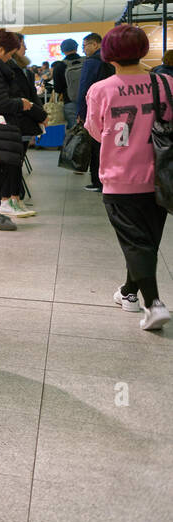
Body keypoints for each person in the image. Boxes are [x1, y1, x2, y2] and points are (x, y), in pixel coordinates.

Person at [84, 24, 171, 331]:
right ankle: (128, 292)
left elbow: (95, 131)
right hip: (161, 177)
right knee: (145, 241)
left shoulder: (101, 90)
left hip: (120, 178)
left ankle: (155, 304)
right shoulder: (165, 83)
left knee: (136, 243)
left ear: (109, 54)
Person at [0, 31, 39, 229]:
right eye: (9, 53)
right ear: (0, 49)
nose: (10, 58)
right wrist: (21, 103)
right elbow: (0, 101)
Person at [77, 31, 115, 191]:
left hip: (96, 109)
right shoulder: (111, 60)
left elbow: (84, 88)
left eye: (85, 46)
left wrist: (81, 112)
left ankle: (98, 181)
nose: (84, 50)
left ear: (95, 44)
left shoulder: (92, 62)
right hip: (112, 108)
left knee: (96, 146)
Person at [51, 38, 84, 126]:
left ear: (62, 50)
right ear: (76, 48)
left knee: (75, 130)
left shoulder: (59, 66)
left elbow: (58, 89)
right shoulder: (87, 62)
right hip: (89, 100)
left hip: (70, 102)